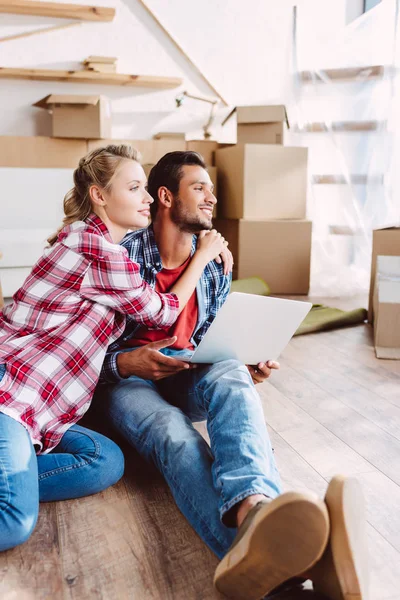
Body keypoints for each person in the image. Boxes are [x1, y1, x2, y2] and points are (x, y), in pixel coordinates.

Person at [93, 150, 368, 600]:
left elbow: (213, 337)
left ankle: (256, 510)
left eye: (211, 189)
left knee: (231, 376)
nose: (212, 198)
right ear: (165, 196)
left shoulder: (217, 266)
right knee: (171, 433)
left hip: (184, 371)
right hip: (126, 383)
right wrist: (127, 362)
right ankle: (283, 568)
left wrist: (246, 358)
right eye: (199, 188)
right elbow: (81, 351)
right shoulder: (121, 256)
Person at [0, 144, 229, 552]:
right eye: (136, 188)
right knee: (14, 521)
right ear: (100, 196)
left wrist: (200, 247)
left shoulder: (93, 242)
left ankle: (11, 479)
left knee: (104, 461)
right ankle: (11, 489)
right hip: (12, 393)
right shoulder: (97, 250)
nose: (147, 197)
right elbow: (162, 312)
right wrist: (206, 253)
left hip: (40, 402)